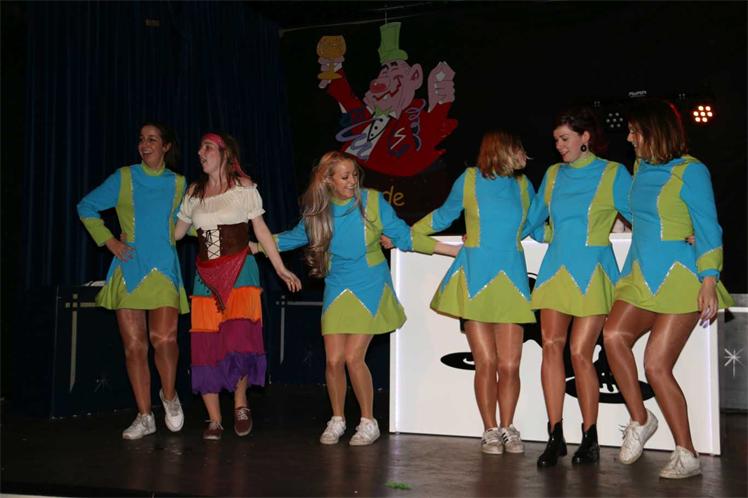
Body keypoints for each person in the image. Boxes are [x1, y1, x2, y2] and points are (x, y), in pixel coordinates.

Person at [253, 150, 459, 446]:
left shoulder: (373, 202)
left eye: (354, 175)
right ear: (328, 180)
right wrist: (253, 246)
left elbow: (405, 236)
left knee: (353, 357)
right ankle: (337, 419)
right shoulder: (318, 213)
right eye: (345, 177)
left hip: (370, 283)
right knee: (333, 360)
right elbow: (289, 238)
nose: (352, 181)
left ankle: (368, 421)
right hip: (338, 285)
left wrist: (452, 251)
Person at [603, 99, 733, 479]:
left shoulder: (692, 170)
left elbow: (708, 226)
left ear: (654, 131)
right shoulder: (639, 168)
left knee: (656, 366)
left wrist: (708, 279)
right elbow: (636, 213)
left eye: (635, 131)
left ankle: (687, 453)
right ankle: (641, 419)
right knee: (612, 336)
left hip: (680, 275)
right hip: (640, 273)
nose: (629, 138)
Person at [410, 130, 536, 455]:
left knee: (510, 365)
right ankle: (490, 430)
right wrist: (409, 233)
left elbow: (534, 225)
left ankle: (508, 427)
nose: (524, 156)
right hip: (475, 279)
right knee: (486, 362)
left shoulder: (523, 185)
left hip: (511, 282)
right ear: (502, 151)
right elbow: (443, 216)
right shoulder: (468, 180)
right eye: (518, 149)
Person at [524, 107, 633, 466]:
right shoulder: (553, 174)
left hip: (593, 270)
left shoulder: (613, 173)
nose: (559, 145)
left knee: (580, 353)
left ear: (585, 137)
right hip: (556, 270)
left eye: (565, 138)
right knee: (550, 347)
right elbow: (532, 220)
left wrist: (684, 234)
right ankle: (555, 435)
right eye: (556, 140)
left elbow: (642, 216)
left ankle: (590, 436)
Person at [174, 132, 301, 440]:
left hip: (241, 273)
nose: (200, 152)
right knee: (206, 343)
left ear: (224, 153)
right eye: (199, 148)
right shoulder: (194, 192)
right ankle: (214, 419)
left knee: (238, 340)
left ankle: (240, 404)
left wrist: (280, 268)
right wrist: (136, 233)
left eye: (207, 147)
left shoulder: (244, 188)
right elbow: (176, 234)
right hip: (205, 276)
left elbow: (261, 229)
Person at [77, 121, 188, 440]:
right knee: (134, 347)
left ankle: (169, 396)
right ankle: (144, 415)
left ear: (166, 146)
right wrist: (110, 241)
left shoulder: (179, 183)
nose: (145, 144)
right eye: (141, 139)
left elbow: (187, 222)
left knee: (164, 339)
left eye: (152, 139)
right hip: (129, 267)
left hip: (163, 267)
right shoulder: (124, 177)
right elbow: (86, 206)